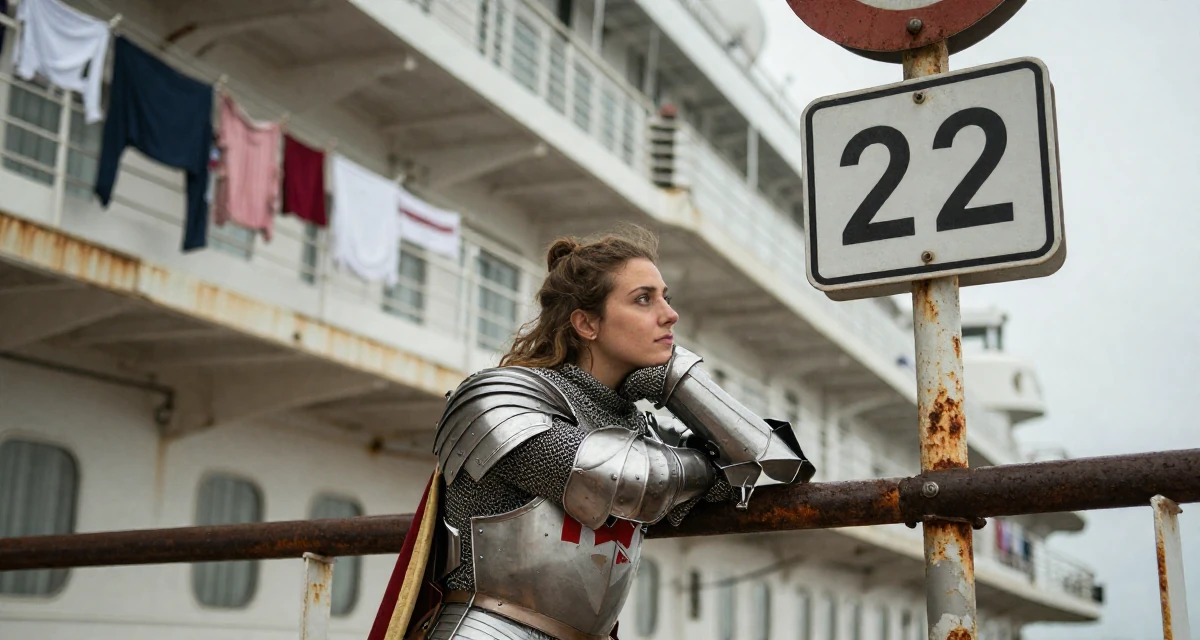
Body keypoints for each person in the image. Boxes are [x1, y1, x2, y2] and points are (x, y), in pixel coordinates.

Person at [371, 225, 813, 640]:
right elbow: (624, 480)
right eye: (644, 299)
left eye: (665, 297)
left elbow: (770, 463)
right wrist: (684, 409)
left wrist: (679, 386)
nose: (670, 315)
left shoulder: (633, 424)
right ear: (586, 324)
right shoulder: (500, 397)